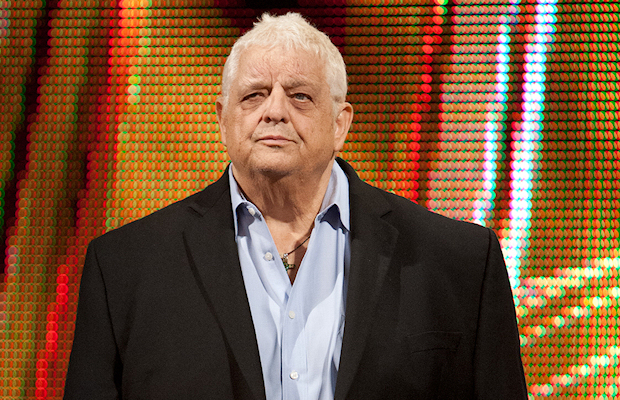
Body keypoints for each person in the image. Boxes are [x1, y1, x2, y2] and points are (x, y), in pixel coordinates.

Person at [64, 12, 528, 400]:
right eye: (254, 95)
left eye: (300, 96)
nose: (274, 111)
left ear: (340, 123)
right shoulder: (124, 268)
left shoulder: (461, 263)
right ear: (223, 120)